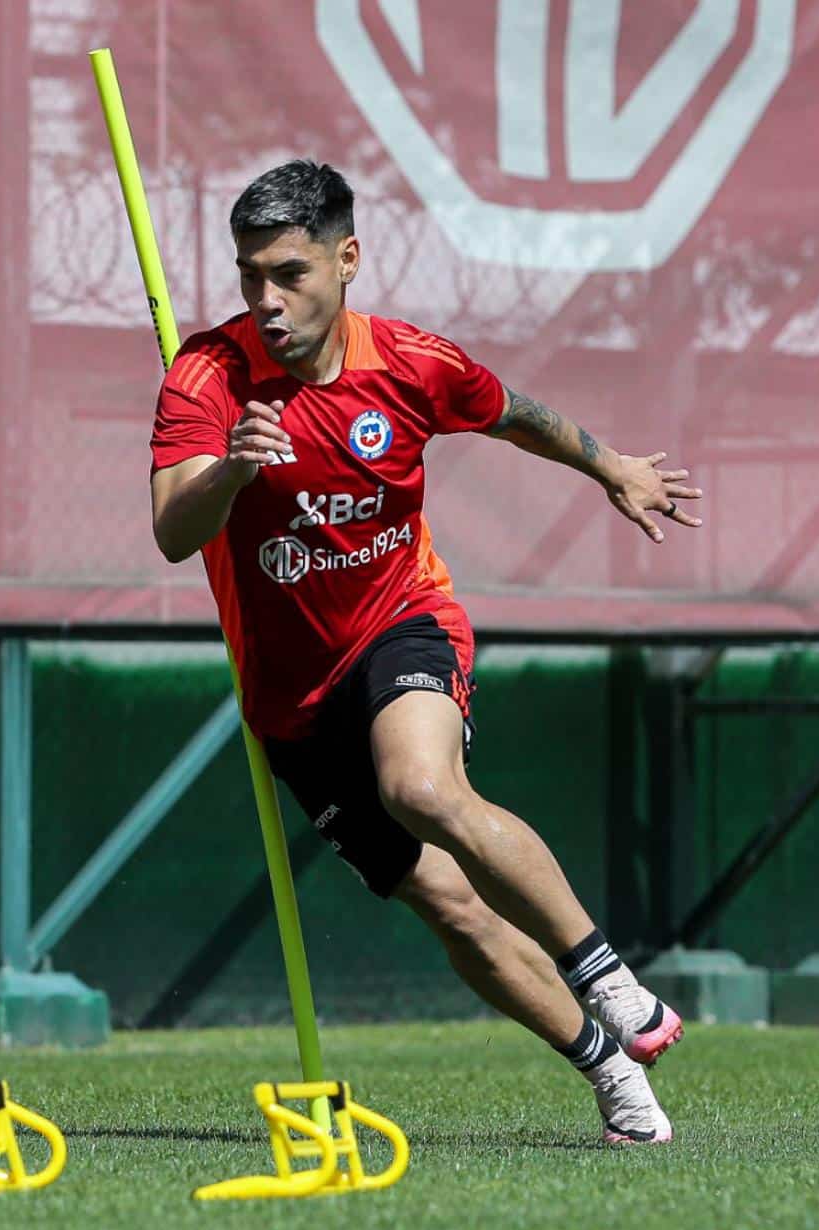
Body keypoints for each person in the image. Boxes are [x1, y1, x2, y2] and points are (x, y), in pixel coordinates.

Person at [149, 159, 701, 1145]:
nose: (266, 301)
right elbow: (170, 529)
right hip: (292, 703)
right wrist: (232, 469)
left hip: (403, 619)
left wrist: (611, 463)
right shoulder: (207, 375)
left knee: (421, 785)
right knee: (451, 906)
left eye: (289, 274)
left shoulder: (409, 362)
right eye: (248, 277)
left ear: (347, 259)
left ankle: (605, 972)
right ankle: (610, 1070)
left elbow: (511, 412)